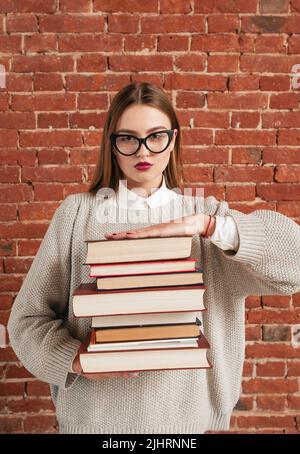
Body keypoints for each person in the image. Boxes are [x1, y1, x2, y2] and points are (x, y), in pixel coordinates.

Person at [7, 82, 300, 434]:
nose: (142, 150)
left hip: (183, 426)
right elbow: (26, 321)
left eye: (156, 136)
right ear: (112, 145)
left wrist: (205, 226)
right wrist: (76, 359)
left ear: (172, 140)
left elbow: (293, 264)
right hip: (94, 424)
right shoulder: (76, 215)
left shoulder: (205, 214)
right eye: (128, 138)